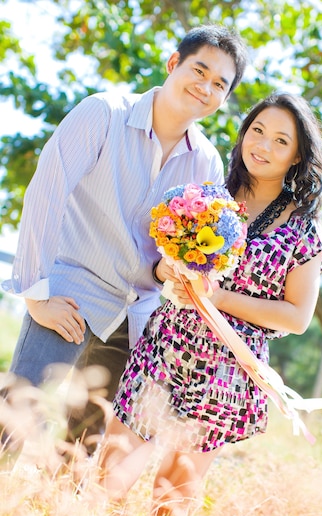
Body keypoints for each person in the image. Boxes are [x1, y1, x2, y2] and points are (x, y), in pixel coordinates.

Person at [2, 25, 249, 451]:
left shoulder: (206, 163)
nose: (205, 87)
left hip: (135, 318)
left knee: (81, 448)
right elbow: (47, 192)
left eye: (219, 84)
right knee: (15, 422)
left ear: (224, 98)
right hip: (69, 296)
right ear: (173, 64)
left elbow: (171, 258)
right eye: (199, 70)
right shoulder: (103, 113)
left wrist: (172, 270)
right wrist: (36, 295)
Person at [97, 92, 322, 516]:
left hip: (228, 370)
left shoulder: (304, 227)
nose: (263, 146)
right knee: (109, 478)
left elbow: (297, 317)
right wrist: (170, 269)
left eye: (281, 141)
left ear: (298, 154)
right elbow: (161, 262)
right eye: (257, 132)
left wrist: (219, 299)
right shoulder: (206, 190)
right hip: (166, 347)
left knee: (170, 504)